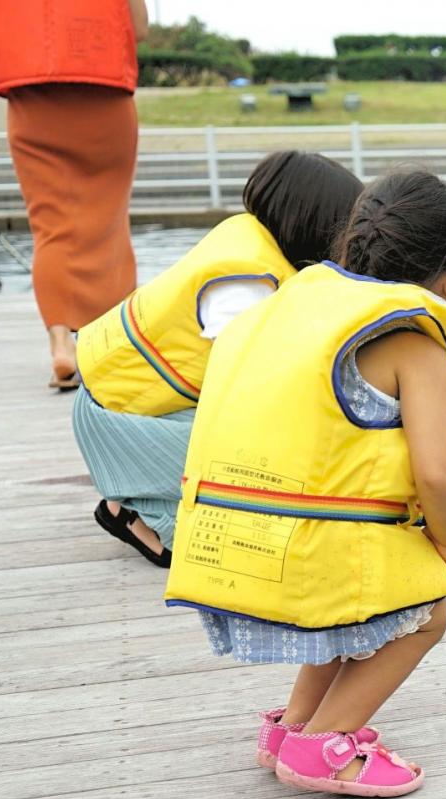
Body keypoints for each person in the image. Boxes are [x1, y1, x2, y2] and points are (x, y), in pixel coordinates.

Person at [164, 169, 446, 799]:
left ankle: (291, 725)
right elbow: (436, 475)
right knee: (422, 609)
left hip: (232, 549)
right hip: (310, 559)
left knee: (352, 603)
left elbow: (343, 438)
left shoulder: (289, 312)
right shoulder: (415, 340)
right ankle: (323, 745)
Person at [72, 151, 363, 568]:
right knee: (266, 461)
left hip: (126, 406)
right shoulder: (248, 285)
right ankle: (135, 514)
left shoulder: (246, 239)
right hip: (117, 424)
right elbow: (247, 387)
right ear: (315, 226)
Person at [0, 0, 149, 390]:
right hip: (105, 99)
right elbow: (137, 29)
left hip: (32, 103)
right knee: (108, 224)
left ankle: (61, 345)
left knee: (50, 227)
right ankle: (112, 344)